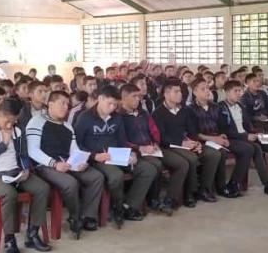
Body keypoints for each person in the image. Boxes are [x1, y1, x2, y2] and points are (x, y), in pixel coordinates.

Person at [74, 86, 157, 228]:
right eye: (109, 103)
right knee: (116, 176)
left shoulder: (117, 117)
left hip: (117, 155)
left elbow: (122, 140)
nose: (112, 108)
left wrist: (131, 153)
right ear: (100, 99)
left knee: (148, 169)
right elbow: (77, 144)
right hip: (97, 158)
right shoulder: (85, 117)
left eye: (115, 105)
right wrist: (94, 156)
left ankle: (129, 206)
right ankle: (117, 207)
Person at [0, 99, 51, 253]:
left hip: (16, 172)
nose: (10, 124)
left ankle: (33, 234)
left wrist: (25, 169)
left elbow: (23, 155)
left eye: (14, 120)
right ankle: (10, 239)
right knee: (9, 194)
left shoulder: (18, 130)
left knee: (42, 188)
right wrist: (2, 145)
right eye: (7, 120)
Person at [28, 91, 104, 239]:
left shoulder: (68, 126)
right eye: (62, 103)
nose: (66, 107)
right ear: (50, 104)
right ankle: (75, 218)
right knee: (70, 183)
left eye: (67, 104)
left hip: (67, 163)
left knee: (96, 177)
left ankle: (88, 216)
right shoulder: (37, 121)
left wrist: (80, 162)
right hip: (45, 165)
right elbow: (32, 150)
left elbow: (74, 150)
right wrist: (54, 163)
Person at [219, 79, 268, 196]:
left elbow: (247, 125)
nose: (239, 94)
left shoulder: (240, 106)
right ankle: (267, 185)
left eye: (240, 91)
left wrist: (255, 133)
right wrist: (246, 136)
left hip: (248, 135)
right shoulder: (221, 108)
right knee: (256, 148)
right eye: (235, 91)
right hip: (235, 139)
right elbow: (224, 130)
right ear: (226, 92)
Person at [153, 79, 222, 205]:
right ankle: (189, 193)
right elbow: (161, 137)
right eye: (176, 91)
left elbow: (192, 131)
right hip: (169, 146)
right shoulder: (158, 113)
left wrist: (196, 143)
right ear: (166, 94)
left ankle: (204, 189)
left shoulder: (184, 110)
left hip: (186, 143)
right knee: (191, 158)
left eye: (180, 91)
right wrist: (182, 143)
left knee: (214, 154)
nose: (180, 94)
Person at [120, 83, 183, 215]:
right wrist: (139, 148)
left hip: (152, 148)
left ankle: (160, 198)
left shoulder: (143, 113)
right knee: (155, 165)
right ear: (124, 98)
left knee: (174, 163)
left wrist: (155, 143)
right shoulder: (119, 116)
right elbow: (121, 140)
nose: (138, 99)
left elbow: (154, 130)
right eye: (134, 97)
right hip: (135, 151)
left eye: (139, 97)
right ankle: (152, 199)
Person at [188, 78, 238, 198]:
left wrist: (221, 135)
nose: (207, 91)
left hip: (214, 139)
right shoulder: (190, 109)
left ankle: (220, 186)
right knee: (215, 153)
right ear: (195, 92)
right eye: (203, 89)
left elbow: (220, 126)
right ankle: (205, 188)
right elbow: (194, 133)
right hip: (199, 142)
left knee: (222, 151)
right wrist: (213, 139)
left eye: (208, 88)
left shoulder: (215, 106)